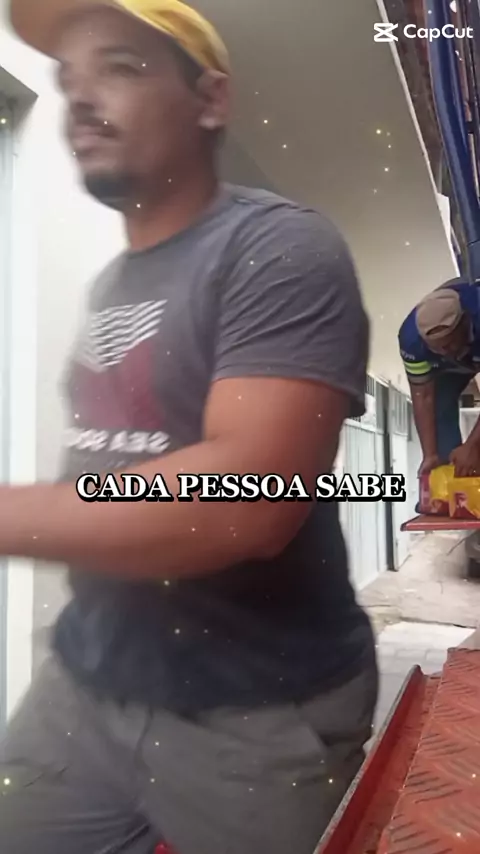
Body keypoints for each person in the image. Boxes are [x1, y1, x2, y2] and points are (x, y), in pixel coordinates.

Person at [1, 1, 377, 852]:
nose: (81, 97)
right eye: (68, 78)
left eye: (121, 67)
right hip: (84, 686)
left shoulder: (280, 249)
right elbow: (109, 467)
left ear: (210, 99)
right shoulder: (113, 284)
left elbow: (246, 497)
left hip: (255, 717)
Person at [399, 277, 480, 478]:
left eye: (449, 343)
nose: (445, 351)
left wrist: (473, 444)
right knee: (438, 407)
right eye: (437, 348)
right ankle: (452, 479)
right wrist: (430, 455)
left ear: (464, 322)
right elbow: (423, 397)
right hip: (449, 368)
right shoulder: (411, 342)